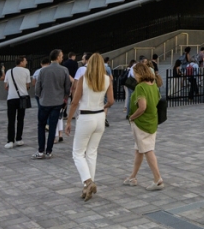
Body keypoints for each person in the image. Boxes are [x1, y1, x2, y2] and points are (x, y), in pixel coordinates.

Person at [65, 53, 114, 200]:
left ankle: (88, 181)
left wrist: (68, 121)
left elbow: (74, 102)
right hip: (100, 116)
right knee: (92, 152)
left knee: (78, 153)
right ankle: (88, 186)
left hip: (86, 116)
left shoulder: (83, 79)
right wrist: (102, 106)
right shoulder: (107, 80)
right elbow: (111, 101)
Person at [122, 63, 164, 191]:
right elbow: (156, 101)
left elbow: (142, 107)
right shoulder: (154, 86)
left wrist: (132, 117)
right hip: (152, 121)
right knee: (139, 149)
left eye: (135, 72)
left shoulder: (140, 87)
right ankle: (133, 177)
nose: (134, 75)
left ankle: (158, 179)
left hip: (141, 123)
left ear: (139, 73)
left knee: (147, 150)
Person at [33, 51, 71, 159]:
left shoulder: (43, 70)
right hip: (57, 102)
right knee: (53, 126)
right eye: (62, 56)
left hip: (44, 102)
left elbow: (37, 87)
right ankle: (49, 151)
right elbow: (67, 88)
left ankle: (41, 151)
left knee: (41, 125)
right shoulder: (64, 70)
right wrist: (65, 99)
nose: (62, 58)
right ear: (58, 57)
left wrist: (40, 96)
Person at [4, 57, 31, 148]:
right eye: (25, 60)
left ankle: (10, 140)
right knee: (20, 119)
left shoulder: (9, 71)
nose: (26, 62)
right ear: (21, 62)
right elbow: (27, 85)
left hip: (11, 98)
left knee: (11, 120)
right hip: (22, 98)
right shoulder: (26, 71)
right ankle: (19, 139)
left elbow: (6, 86)